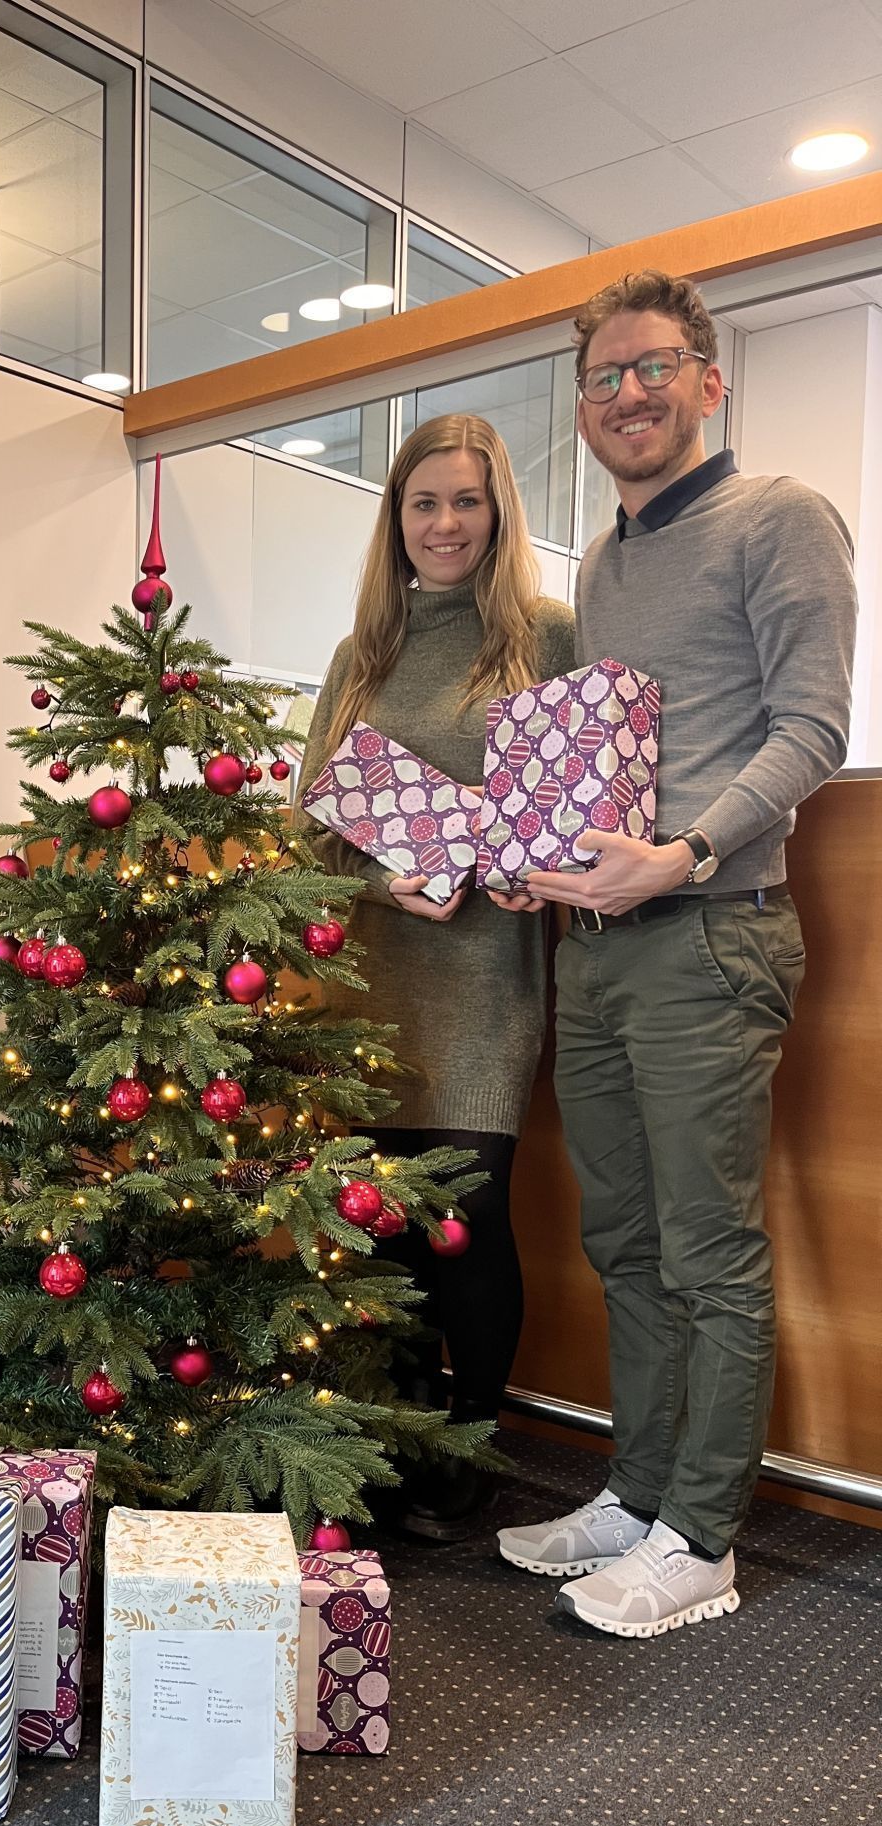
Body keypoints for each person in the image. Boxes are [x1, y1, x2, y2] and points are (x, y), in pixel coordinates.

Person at [497, 270, 856, 1636]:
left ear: (710, 381)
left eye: (654, 368)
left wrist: (685, 854)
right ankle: (638, 1494)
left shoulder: (782, 521)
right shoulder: (601, 562)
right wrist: (557, 860)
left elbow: (811, 730)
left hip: (712, 932)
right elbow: (603, 751)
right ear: (583, 409)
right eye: (604, 378)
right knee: (626, 1240)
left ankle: (702, 1538)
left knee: (709, 1250)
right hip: (598, 944)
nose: (628, 394)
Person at [295, 413, 575, 1541]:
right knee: (387, 1217)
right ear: (396, 519)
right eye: (424, 503)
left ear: (497, 511)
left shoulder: (545, 636)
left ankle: (471, 1437)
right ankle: (400, 1433)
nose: (446, 523)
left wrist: (536, 869)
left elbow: (586, 800)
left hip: (489, 979)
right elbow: (311, 832)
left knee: (467, 1209)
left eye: (466, 501)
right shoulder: (365, 651)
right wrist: (381, 888)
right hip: (375, 979)